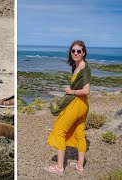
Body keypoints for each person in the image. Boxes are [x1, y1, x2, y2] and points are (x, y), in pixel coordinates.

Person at [45, 40, 91, 175]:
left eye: (79, 51)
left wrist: (71, 92)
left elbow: (86, 90)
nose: (75, 53)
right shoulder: (77, 66)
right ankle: (80, 166)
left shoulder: (84, 68)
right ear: (70, 52)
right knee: (79, 133)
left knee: (60, 131)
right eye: (73, 51)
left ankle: (60, 168)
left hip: (78, 104)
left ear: (83, 53)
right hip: (83, 105)